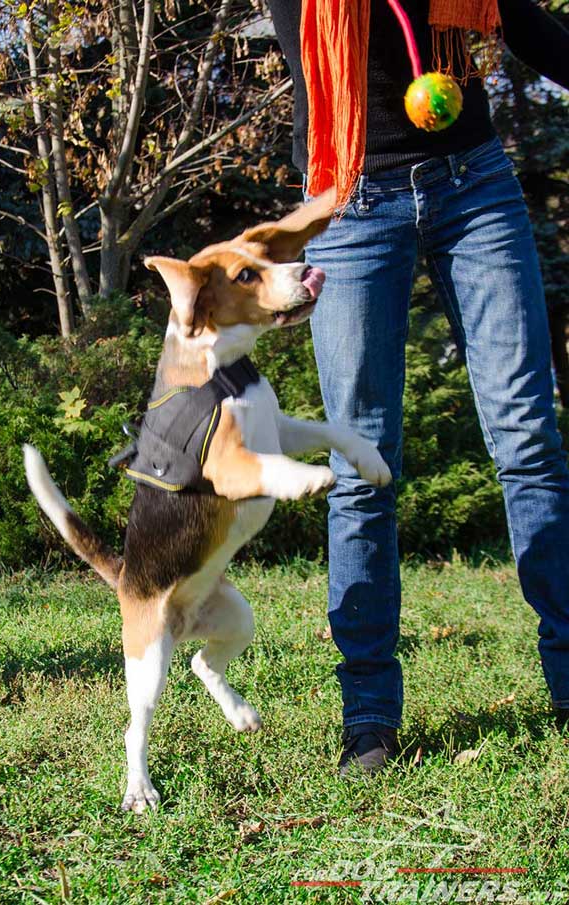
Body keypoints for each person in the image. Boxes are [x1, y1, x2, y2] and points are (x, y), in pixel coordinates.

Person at [267, 0, 569, 775]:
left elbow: (522, 21)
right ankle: (368, 714)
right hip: (351, 196)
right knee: (362, 462)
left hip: (475, 182)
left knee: (528, 436)